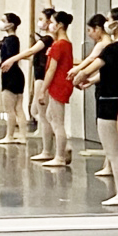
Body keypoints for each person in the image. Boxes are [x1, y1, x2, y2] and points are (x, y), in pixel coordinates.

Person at [73, 7, 118, 206]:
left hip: (109, 102)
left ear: (115, 24)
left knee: (114, 152)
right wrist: (91, 81)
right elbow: (110, 71)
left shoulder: (112, 48)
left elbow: (93, 66)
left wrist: (78, 76)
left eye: (108, 19)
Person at [1, 5, 56, 160]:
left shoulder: (47, 39)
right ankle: (49, 147)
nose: (39, 22)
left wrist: (12, 59)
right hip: (39, 77)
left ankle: (48, 150)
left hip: (41, 78)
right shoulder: (49, 39)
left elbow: (30, 51)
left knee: (44, 115)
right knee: (37, 112)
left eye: (41, 19)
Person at [39, 11, 74, 168]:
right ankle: (63, 147)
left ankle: (60, 156)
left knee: (57, 121)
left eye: (52, 22)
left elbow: (51, 69)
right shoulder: (65, 43)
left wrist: (43, 90)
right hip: (61, 83)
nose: (49, 25)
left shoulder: (59, 45)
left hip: (58, 84)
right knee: (50, 115)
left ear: (59, 25)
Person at [0, 12, 27, 144]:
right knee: (18, 107)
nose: (1, 23)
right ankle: (23, 136)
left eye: (3, 20)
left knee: (10, 109)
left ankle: (10, 135)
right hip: (17, 75)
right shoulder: (13, 39)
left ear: (11, 25)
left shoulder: (10, 40)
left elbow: (8, 57)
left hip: (10, 76)